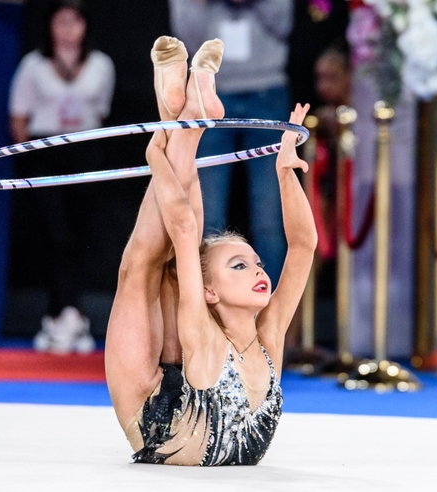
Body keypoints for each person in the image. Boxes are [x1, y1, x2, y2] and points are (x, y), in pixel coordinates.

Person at [104, 35, 316, 466]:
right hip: (164, 405)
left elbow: (301, 246)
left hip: (148, 420)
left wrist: (285, 169)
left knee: (143, 265)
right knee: (151, 265)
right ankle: (187, 115)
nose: (260, 271)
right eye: (241, 265)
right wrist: (159, 154)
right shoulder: (236, 332)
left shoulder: (268, 336)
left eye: (254, 263)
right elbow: (185, 226)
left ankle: (186, 115)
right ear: (209, 291)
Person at [7, 0, 115, 342]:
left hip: (84, 151)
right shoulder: (34, 65)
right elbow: (19, 117)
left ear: (86, 26)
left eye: (75, 21)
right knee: (56, 235)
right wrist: (33, 157)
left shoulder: (100, 65)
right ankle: (58, 313)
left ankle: (73, 313)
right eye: (61, 21)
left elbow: (101, 114)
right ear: (50, 26)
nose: (68, 29)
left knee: (81, 235)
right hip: (45, 151)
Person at [169, 0, 294, 286]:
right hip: (212, 91)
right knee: (207, 215)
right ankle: (208, 314)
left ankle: (273, 319)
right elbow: (186, 36)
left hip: (267, 92)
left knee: (269, 219)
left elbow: (282, 22)